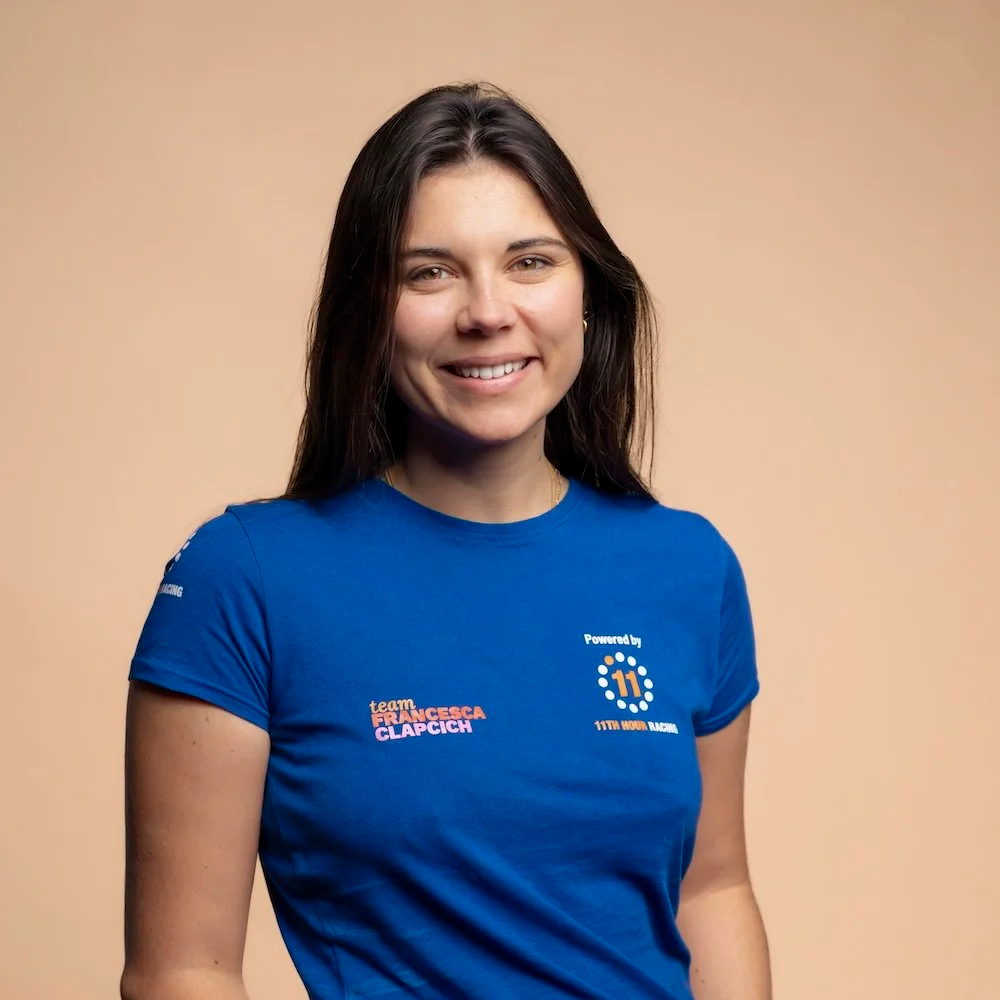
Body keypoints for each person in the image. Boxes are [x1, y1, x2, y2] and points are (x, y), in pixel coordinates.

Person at [121, 82, 772, 1000]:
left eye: (530, 261)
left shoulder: (688, 568)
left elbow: (712, 887)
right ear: (369, 312)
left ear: (588, 291)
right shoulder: (247, 579)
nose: (487, 311)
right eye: (430, 271)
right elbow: (179, 972)